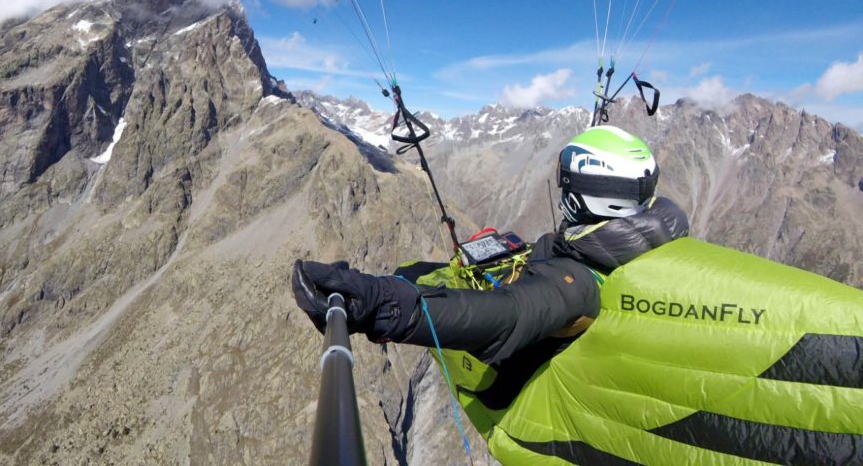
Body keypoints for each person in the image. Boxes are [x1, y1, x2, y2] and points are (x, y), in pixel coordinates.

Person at [292, 125, 689, 367]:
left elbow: (509, 313)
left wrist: (381, 303)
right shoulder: (649, 239)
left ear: (578, 196)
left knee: (411, 274)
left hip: (516, 379)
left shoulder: (577, 286)